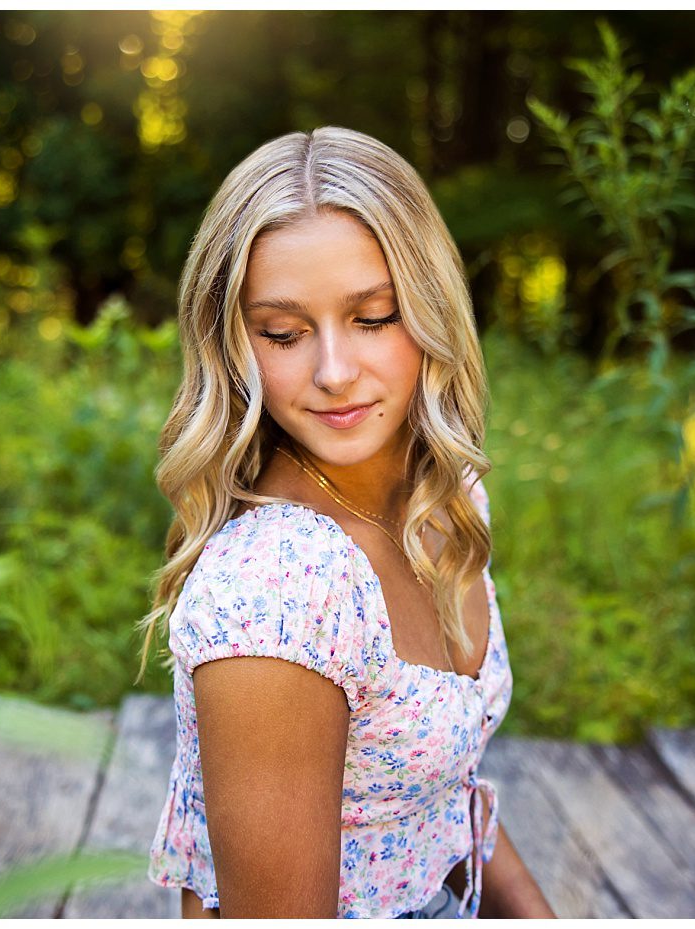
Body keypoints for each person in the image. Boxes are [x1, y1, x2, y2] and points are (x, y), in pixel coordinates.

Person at [142, 128, 556, 918]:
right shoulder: (281, 589)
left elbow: (445, 797)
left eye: (374, 316)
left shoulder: (448, 492)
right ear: (233, 345)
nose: (334, 372)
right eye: (285, 334)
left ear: (431, 307)